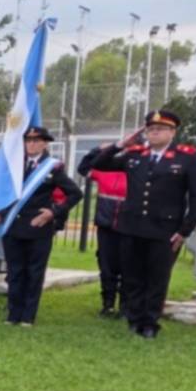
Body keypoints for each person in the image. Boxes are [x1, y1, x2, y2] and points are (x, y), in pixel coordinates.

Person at [82, 109, 196, 338]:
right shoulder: (135, 155)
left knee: (157, 278)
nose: (154, 133)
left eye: (160, 129)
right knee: (132, 276)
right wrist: (120, 144)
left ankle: (150, 322)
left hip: (164, 230)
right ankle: (134, 318)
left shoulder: (186, 157)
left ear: (172, 132)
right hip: (132, 227)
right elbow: (100, 164)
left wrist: (184, 230)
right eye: (150, 129)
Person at [0, 126, 83, 327]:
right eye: (28, 140)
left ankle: (28, 316)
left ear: (44, 143)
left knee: (34, 272)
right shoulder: (13, 164)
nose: (31, 144)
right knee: (14, 272)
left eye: (36, 140)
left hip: (38, 227)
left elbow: (75, 193)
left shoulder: (52, 168)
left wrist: (54, 212)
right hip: (13, 224)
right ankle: (13, 314)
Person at [78, 137, 129, 319]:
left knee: (127, 267)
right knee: (106, 266)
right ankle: (107, 304)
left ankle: (125, 306)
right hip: (106, 225)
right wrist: (98, 148)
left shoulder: (135, 173)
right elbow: (83, 168)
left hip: (128, 227)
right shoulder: (104, 172)